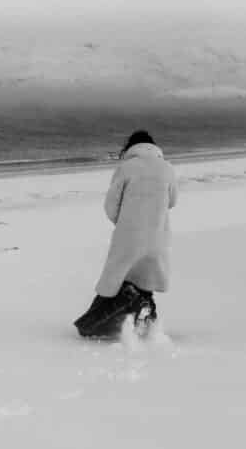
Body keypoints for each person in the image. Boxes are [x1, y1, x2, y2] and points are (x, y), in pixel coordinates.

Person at [72, 130, 177, 339]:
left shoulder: (126, 167)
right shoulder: (167, 168)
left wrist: (124, 221)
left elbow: (111, 206)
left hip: (129, 235)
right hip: (157, 235)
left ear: (130, 147)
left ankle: (101, 323)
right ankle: (145, 320)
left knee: (117, 280)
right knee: (146, 280)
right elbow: (172, 201)